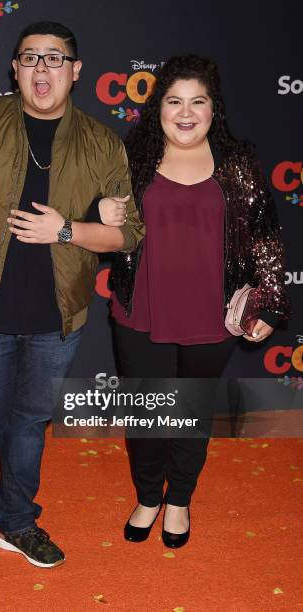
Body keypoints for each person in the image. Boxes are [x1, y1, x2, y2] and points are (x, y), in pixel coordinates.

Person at [0, 21, 144, 590]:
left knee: (30, 427)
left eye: (55, 59)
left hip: (56, 317)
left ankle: (17, 523)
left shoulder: (100, 143)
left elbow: (128, 234)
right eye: (31, 58)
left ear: (76, 70)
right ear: (14, 68)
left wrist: (66, 230)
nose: (43, 69)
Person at [108, 54, 290, 548]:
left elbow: (264, 235)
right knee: (147, 414)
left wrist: (272, 303)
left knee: (189, 413)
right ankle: (148, 497)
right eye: (174, 101)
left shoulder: (238, 162)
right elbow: (102, 221)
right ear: (158, 107)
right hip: (140, 311)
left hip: (211, 316)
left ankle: (180, 501)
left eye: (197, 102)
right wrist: (98, 210)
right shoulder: (133, 158)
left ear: (214, 109)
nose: (185, 112)